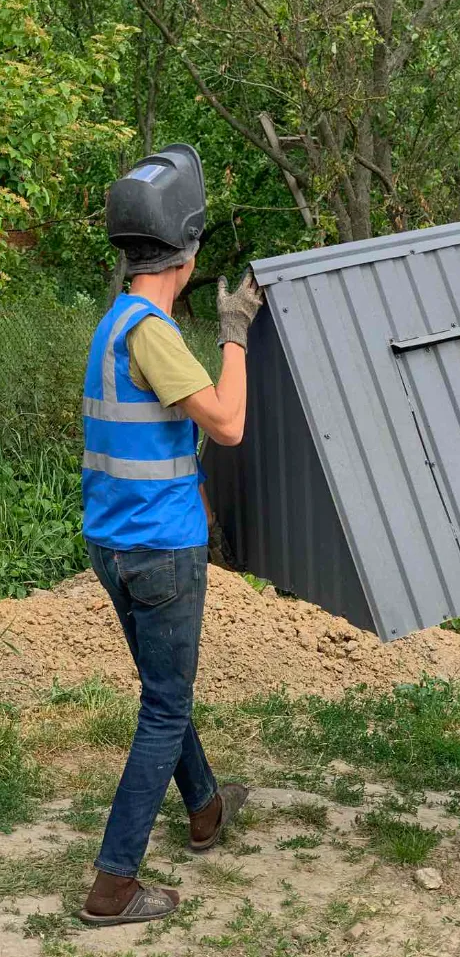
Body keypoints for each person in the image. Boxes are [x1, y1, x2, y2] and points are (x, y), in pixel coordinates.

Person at [78, 144, 264, 925]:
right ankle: (114, 882)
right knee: (164, 706)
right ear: (186, 254)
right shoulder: (152, 331)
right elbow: (226, 423)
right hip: (159, 551)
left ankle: (206, 806)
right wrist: (236, 334)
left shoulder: (115, 323)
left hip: (116, 544)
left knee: (164, 691)